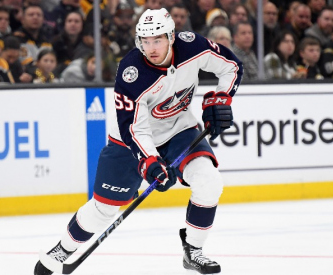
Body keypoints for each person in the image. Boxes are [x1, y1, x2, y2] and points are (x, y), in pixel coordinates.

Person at [34, 8, 243, 275]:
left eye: (157, 40)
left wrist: (221, 97)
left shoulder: (193, 46)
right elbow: (134, 128)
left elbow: (232, 66)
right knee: (104, 210)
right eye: (145, 41)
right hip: (128, 141)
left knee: (209, 181)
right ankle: (63, 248)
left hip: (179, 127)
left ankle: (194, 250)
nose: (151, 48)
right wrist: (150, 161)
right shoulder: (131, 72)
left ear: (171, 36)